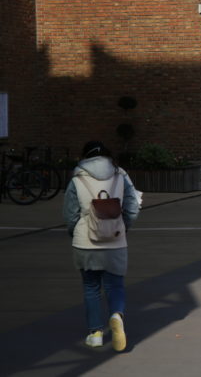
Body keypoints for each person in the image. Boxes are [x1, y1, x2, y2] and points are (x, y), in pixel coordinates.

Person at [63, 141, 141, 351]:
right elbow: (132, 207)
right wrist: (123, 227)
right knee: (115, 285)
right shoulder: (121, 176)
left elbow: (70, 215)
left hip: (85, 242)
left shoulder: (77, 179)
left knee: (91, 287)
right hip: (115, 240)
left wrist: (75, 232)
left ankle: (95, 333)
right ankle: (116, 314)